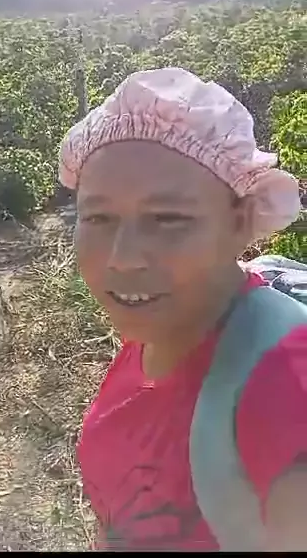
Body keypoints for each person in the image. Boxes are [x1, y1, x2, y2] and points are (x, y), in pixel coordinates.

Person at [58, 67, 306, 551]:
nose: (123, 258)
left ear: (240, 223)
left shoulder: (282, 379)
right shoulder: (161, 331)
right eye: (99, 217)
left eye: (167, 218)